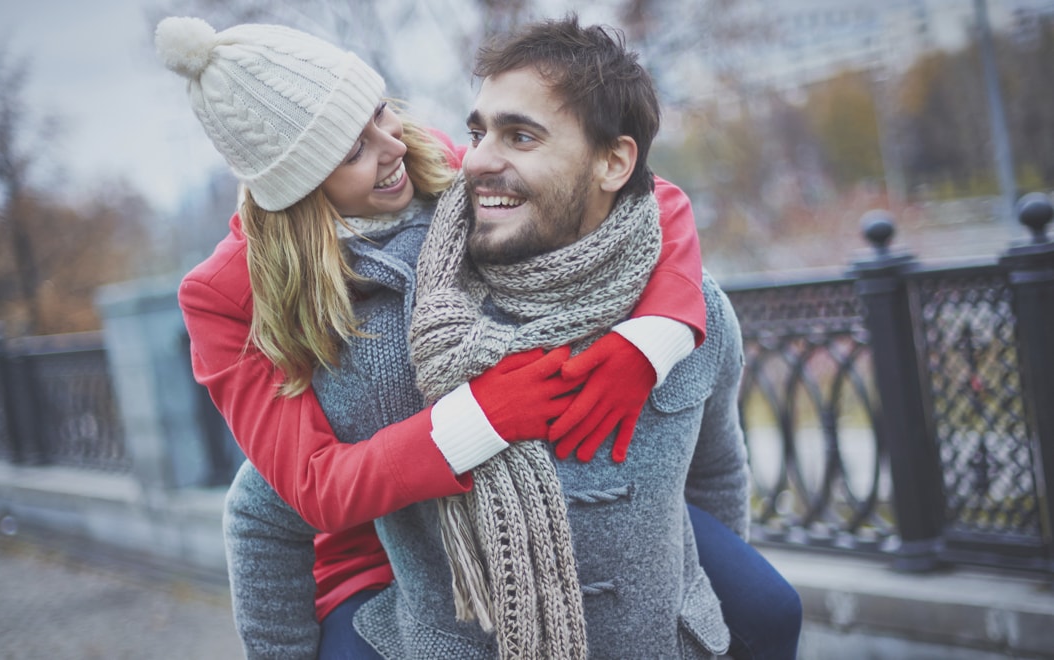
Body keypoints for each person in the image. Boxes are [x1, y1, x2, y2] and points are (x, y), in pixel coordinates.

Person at [155, 15, 798, 660]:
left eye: (382, 112)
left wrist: (651, 341)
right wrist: (476, 420)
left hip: (565, 527)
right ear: (298, 186)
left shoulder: (434, 165)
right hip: (363, 541)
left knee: (768, 610)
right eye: (351, 149)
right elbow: (300, 491)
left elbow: (640, 196)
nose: (392, 146)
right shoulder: (228, 296)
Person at [347, 16, 799, 659]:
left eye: (520, 136)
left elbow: (717, 472)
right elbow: (264, 513)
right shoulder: (394, 325)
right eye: (478, 132)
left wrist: (694, 612)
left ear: (614, 161)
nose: (475, 160)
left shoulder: (697, 311)